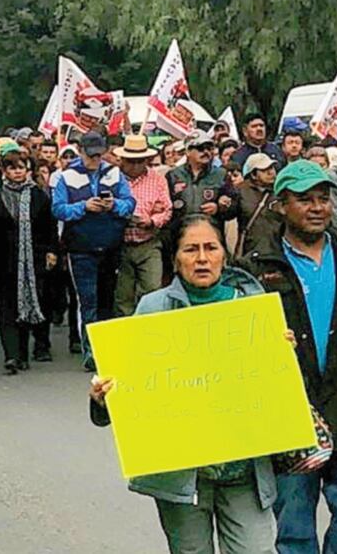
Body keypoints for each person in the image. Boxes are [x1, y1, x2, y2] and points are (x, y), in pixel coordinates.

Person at [91, 215, 280, 553]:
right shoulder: (153, 309)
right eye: (191, 249)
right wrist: (105, 397)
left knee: (257, 549)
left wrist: (283, 357)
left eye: (211, 248)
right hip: (183, 473)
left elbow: (277, 389)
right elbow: (136, 386)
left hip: (244, 470)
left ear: (225, 253)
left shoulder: (252, 304)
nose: (202, 258)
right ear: (175, 258)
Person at [239, 161, 337, 554]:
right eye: (304, 199)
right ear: (280, 206)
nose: (317, 207)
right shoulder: (256, 270)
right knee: (293, 525)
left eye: (323, 199)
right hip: (288, 417)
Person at [52, 131, 135, 371]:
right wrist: (83, 207)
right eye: (92, 155)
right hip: (81, 248)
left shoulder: (115, 173)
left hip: (111, 246)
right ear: (80, 151)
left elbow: (129, 203)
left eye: (100, 154)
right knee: (87, 301)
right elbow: (58, 210)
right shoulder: (66, 177)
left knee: (107, 302)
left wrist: (114, 205)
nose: (96, 159)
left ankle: (107, 351)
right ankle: (90, 352)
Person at [0, 149, 56, 371]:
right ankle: (11, 355)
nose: (17, 172)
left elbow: (48, 227)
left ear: (28, 170)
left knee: (30, 303)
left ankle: (23, 351)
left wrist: (51, 251)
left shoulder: (38, 196)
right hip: (2, 262)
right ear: (4, 171)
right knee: (7, 309)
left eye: (21, 167)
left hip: (33, 262)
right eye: (12, 167)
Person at [112, 135, 171, 317]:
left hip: (149, 243)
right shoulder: (112, 178)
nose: (136, 166)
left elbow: (167, 210)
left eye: (140, 161)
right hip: (119, 244)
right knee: (123, 297)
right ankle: (126, 337)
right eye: (131, 161)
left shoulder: (158, 179)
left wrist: (152, 221)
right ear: (123, 159)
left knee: (152, 292)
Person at [167, 131, 235, 225]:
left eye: (209, 148)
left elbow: (235, 206)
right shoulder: (173, 175)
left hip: (210, 231)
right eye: (200, 148)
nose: (206, 152)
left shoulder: (221, 174)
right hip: (181, 232)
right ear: (188, 151)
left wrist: (219, 208)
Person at [235, 154, 281, 257]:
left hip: (277, 250)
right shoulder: (240, 191)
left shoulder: (281, 191)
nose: (271, 172)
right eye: (264, 170)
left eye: (272, 168)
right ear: (253, 174)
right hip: (251, 251)